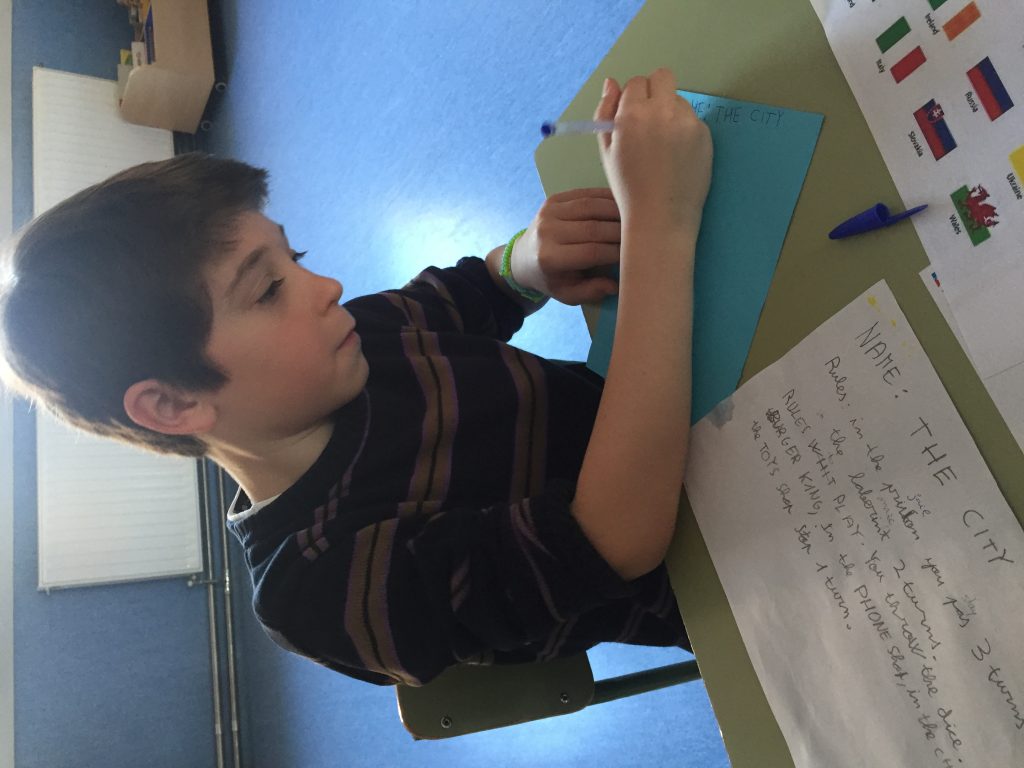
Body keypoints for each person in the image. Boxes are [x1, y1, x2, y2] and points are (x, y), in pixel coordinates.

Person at [0, 67, 712, 685]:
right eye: (267, 290)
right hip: (719, 569)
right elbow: (613, 538)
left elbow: (468, 293)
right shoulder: (319, 590)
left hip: (696, 413)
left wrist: (527, 261)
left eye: (295, 258)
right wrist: (659, 220)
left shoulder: (344, 344)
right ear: (173, 403)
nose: (326, 288)